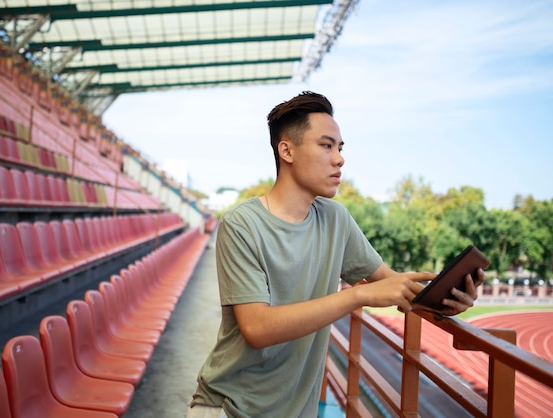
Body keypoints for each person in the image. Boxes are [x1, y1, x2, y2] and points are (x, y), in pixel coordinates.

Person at [187, 91, 483, 418]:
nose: (339, 158)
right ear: (286, 150)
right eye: (326, 146)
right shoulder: (241, 224)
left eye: (340, 148)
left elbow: (391, 283)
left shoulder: (335, 218)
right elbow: (257, 329)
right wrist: (357, 296)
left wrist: (446, 296)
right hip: (229, 408)